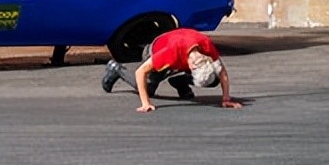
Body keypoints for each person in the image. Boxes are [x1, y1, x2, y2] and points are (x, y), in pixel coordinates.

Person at [101, 27, 242, 112]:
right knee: (148, 88)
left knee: (214, 79)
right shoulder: (170, 54)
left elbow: (222, 72)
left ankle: (179, 81)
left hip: (182, 54)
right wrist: (146, 103)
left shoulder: (206, 47)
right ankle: (117, 68)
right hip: (154, 50)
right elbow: (141, 72)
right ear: (191, 67)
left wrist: (226, 99)